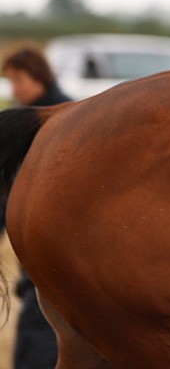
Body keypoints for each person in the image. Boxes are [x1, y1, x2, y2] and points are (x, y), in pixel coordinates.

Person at [2, 46, 70, 369]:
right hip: (41, 241)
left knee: (40, 326)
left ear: (39, 76)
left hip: (52, 242)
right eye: (10, 81)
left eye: (20, 79)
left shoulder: (57, 121)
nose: (14, 88)